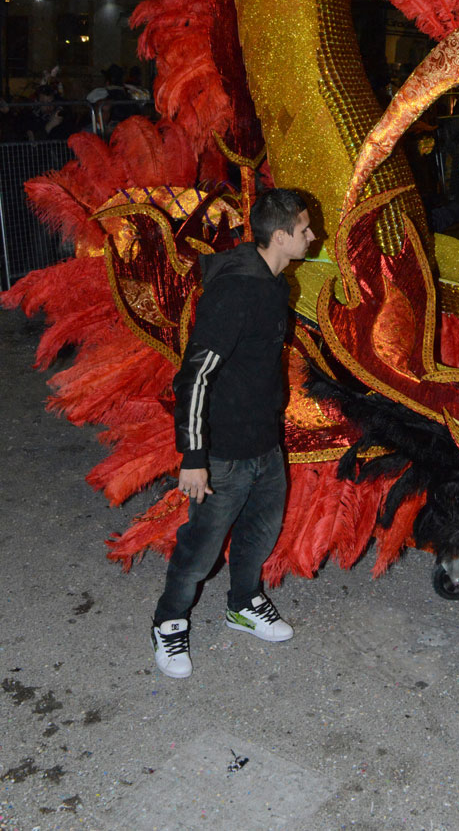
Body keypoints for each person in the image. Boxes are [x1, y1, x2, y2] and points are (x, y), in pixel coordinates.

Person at [151, 188, 316, 679]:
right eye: (305, 230)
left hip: (264, 440)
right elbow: (195, 376)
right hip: (221, 449)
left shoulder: (276, 283)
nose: (313, 235)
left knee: (260, 534)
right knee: (201, 547)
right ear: (281, 237)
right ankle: (169, 621)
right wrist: (193, 455)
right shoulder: (237, 290)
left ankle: (243, 603)